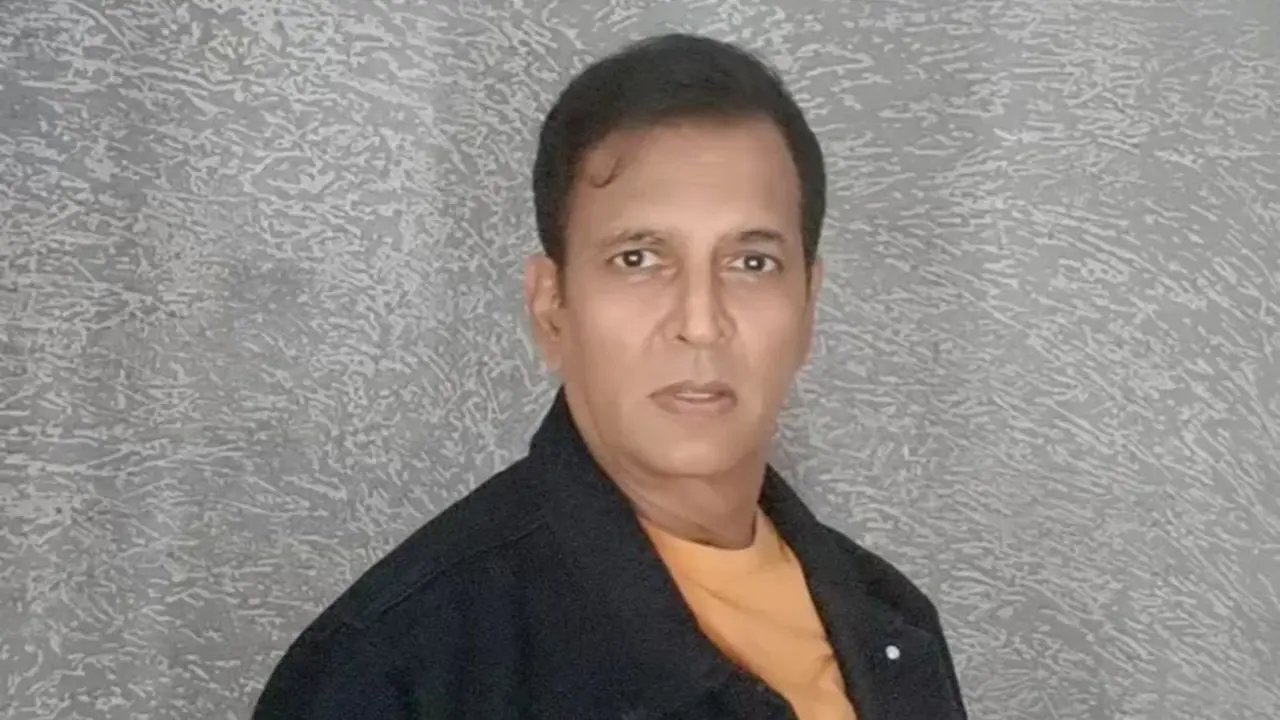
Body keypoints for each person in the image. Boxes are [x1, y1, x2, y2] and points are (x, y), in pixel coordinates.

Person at [253, 33, 967, 720]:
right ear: (551, 308)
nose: (700, 321)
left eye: (752, 262)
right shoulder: (394, 671)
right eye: (638, 259)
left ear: (807, 307)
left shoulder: (890, 625)